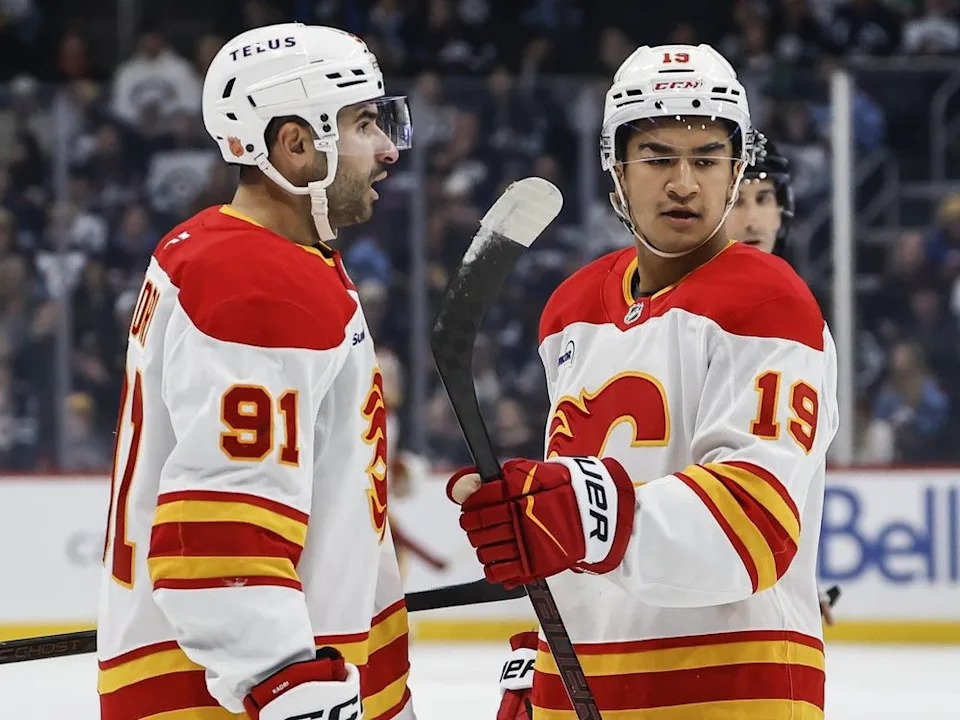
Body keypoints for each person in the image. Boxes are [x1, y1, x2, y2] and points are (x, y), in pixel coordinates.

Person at [448, 43, 839, 719]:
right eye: (658, 157)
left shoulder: (770, 301)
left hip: (728, 694)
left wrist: (578, 514)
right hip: (575, 690)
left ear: (736, 168)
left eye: (707, 159)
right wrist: (533, 651)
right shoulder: (568, 311)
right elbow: (570, 518)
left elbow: (755, 526)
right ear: (617, 169)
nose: (684, 182)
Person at [97, 23, 414, 720]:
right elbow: (214, 538)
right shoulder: (258, 282)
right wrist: (285, 683)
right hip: (237, 701)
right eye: (365, 122)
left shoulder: (227, 250)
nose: (389, 148)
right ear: (296, 145)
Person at [727, 133, 840, 626]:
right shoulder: (673, 314)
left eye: (764, 198)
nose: (753, 219)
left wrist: (797, 577)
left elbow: (795, 471)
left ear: (783, 210)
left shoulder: (806, 325)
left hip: (766, 613)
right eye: (738, 201)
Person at [724, 133, 795, 257]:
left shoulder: (793, 276)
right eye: (736, 202)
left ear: (779, 215)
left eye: (762, 200)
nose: (751, 222)